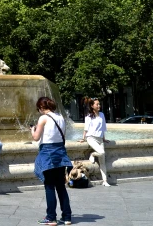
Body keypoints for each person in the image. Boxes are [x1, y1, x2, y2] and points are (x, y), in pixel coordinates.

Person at [31, 96, 73, 226]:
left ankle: (51, 217)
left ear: (42, 107)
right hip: (60, 152)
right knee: (61, 186)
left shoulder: (43, 118)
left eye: (39, 108)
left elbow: (36, 138)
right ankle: (66, 217)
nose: (39, 111)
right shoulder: (61, 118)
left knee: (49, 186)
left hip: (48, 152)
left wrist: (32, 130)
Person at [78, 97, 111, 187]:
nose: (99, 105)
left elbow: (103, 128)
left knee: (102, 161)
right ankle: (92, 154)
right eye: (97, 104)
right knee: (101, 152)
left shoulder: (102, 115)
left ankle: (105, 181)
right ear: (92, 106)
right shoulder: (88, 116)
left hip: (100, 139)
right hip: (91, 138)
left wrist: (103, 138)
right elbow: (86, 128)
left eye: (99, 104)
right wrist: (83, 138)